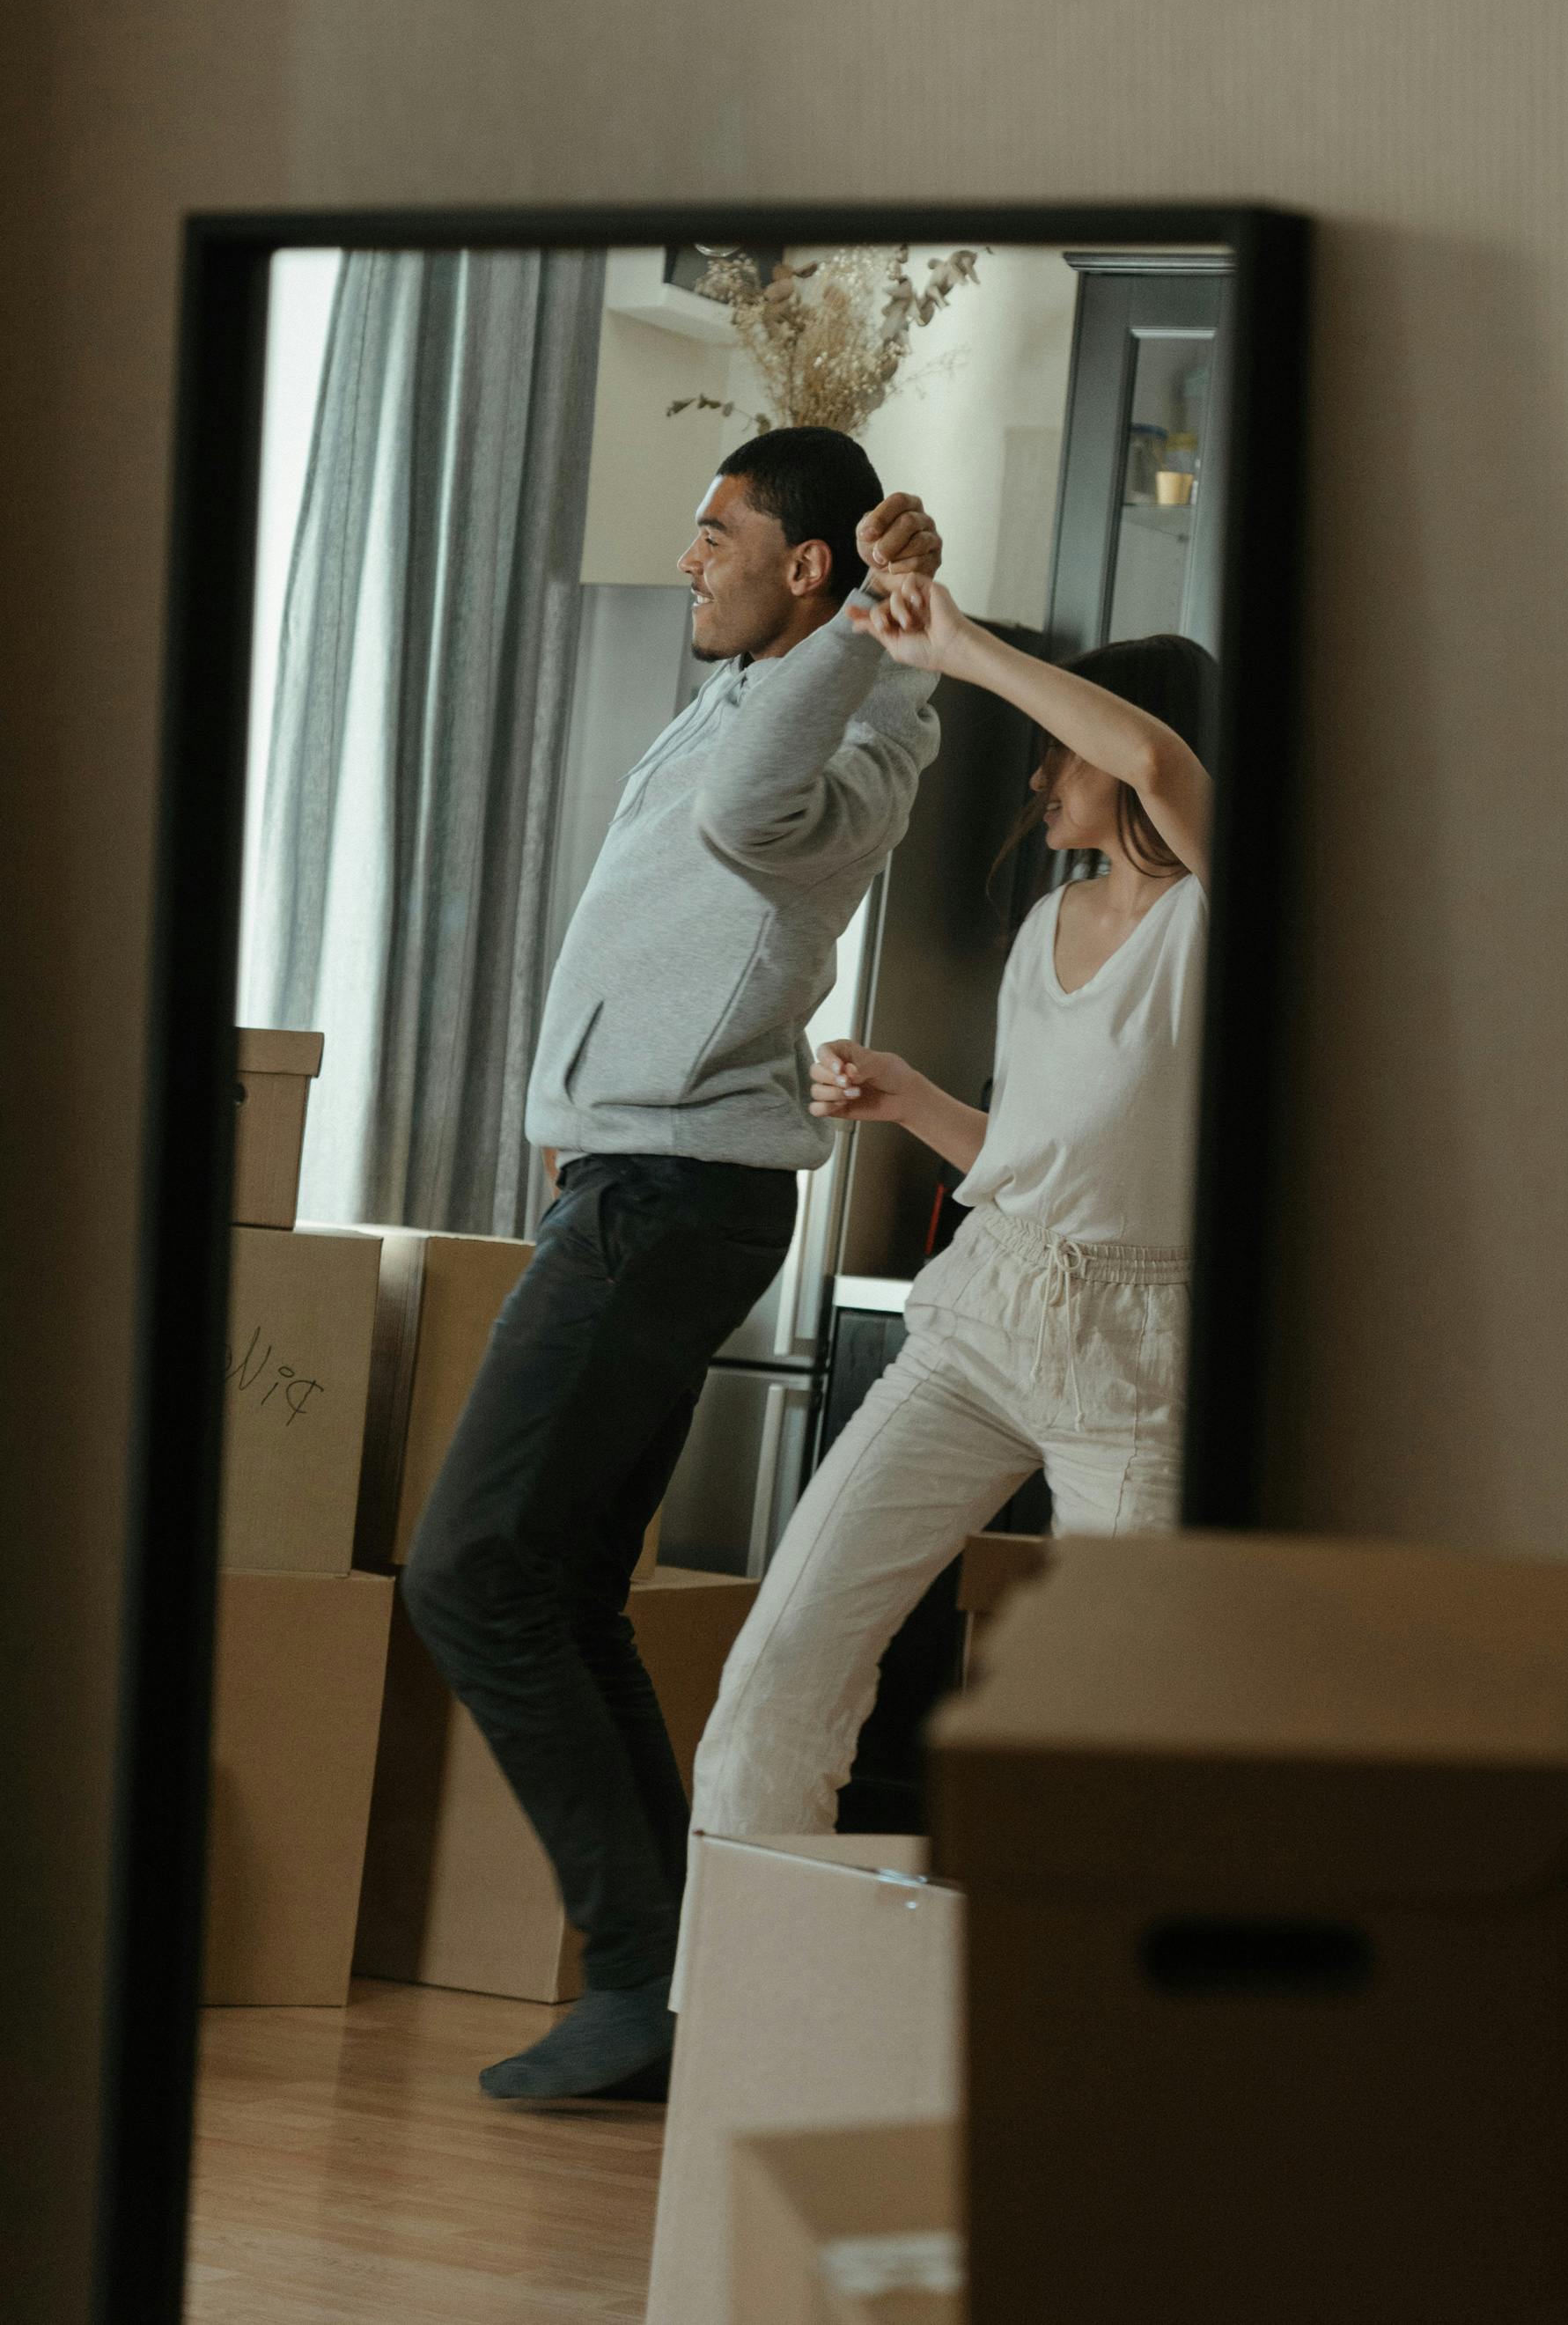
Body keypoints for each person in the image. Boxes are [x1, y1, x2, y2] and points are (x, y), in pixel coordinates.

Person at [401, 429, 944, 2104]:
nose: (686, 557)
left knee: (472, 1573)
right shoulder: (748, 690)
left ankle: (643, 1978)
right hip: (628, 1186)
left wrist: (867, 624)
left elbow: (740, 815)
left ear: (808, 567)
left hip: (671, 1196)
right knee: (558, 1589)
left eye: (719, 534)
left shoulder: (837, 741)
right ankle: (670, 1978)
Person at [687, 565, 1216, 1846]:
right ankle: (740, 2014)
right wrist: (911, 1097)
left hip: (1138, 1364)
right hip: (984, 1313)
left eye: (1054, 752)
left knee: (1109, 1738)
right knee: (783, 1661)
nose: (1040, 780)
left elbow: (1149, 750)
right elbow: (1046, 1160)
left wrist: (961, 645)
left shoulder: (1215, 914)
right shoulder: (1047, 924)